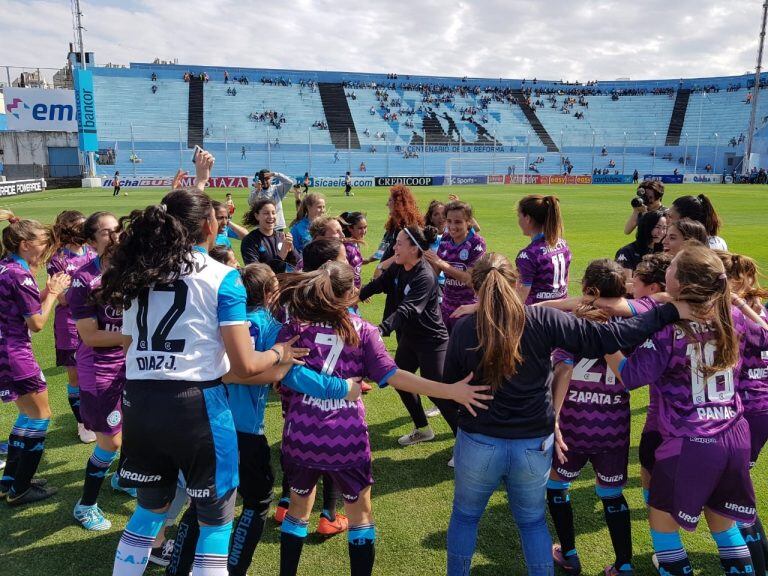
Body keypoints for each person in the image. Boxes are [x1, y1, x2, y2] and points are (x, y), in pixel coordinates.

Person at [103, 152, 306, 576]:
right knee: (215, 523)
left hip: (139, 402)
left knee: (147, 515)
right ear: (211, 226)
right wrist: (280, 354)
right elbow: (246, 365)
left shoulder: (138, 272)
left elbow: (126, 344)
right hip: (196, 406)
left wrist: (197, 182)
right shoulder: (222, 276)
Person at [443, 252, 688, 576]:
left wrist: (465, 406)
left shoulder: (465, 328)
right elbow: (615, 336)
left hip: (479, 441)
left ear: (476, 289)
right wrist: (667, 310)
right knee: (531, 523)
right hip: (533, 443)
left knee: (465, 517)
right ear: (514, 283)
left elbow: (450, 384)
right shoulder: (541, 320)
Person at [275, 261, 490, 576]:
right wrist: (449, 391)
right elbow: (394, 376)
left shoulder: (297, 326)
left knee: (297, 510)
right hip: (344, 438)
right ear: (350, 294)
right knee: (360, 517)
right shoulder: (363, 331)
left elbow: (279, 370)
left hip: (300, 434)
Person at [605, 245, 764, 576]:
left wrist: (605, 342)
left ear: (682, 282)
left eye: (672, 268)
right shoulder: (732, 316)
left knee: (663, 528)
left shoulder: (668, 330)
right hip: (733, 434)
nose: (666, 271)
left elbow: (631, 376)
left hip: (691, 440)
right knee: (724, 527)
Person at [547, 260, 636, 576]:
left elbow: (564, 369)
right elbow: (631, 376)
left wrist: (553, 419)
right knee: (611, 494)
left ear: (589, 291)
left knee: (557, 487)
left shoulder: (573, 322)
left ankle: (569, 554)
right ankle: (624, 564)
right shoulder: (631, 327)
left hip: (573, 425)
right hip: (613, 428)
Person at [359, 226, 459, 451]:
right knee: (399, 380)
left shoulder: (425, 276)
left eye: (400, 243)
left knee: (438, 393)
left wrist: (381, 329)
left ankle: (463, 442)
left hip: (432, 341)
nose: (394, 247)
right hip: (410, 339)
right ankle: (423, 429)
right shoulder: (398, 266)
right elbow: (378, 285)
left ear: (414, 249)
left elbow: (408, 310)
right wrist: (353, 299)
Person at [0, 209, 71, 506]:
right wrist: (54, 293)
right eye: (42, 242)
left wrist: (44, 291)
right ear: (25, 243)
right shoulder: (20, 275)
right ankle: (22, 489)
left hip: (4, 352)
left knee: (26, 414)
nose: (46, 248)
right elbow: (37, 323)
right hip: (16, 353)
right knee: (41, 417)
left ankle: (10, 482)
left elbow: (22, 304)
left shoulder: (6, 266)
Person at [70, 211, 130, 530]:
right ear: (92, 240)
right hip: (100, 368)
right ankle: (86, 505)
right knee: (111, 442)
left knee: (133, 427)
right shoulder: (84, 278)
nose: (115, 236)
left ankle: (122, 478)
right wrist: (129, 338)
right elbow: (90, 335)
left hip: (129, 363)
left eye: (118, 229)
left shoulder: (129, 270)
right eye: (107, 233)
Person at [718, 251, 768, 570]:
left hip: (744, 411)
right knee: (741, 493)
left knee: (734, 498)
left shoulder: (734, 316)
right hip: (763, 406)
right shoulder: (760, 309)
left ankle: (757, 565)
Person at [47, 210, 97, 443]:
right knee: (76, 376)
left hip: (97, 319)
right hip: (69, 323)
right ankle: (82, 422)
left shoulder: (93, 251)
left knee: (99, 371)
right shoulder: (57, 259)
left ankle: (98, 415)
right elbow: (64, 298)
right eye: (80, 226)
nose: (85, 230)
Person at [424, 201, 486, 332]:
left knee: (464, 350)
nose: (452, 226)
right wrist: (425, 261)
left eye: (458, 222)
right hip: (446, 307)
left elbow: (469, 279)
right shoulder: (446, 239)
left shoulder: (476, 243)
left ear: (468, 222)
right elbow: (435, 272)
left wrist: (441, 263)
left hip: (468, 309)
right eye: (449, 221)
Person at [516, 195, 572, 305]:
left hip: (538, 317)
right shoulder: (563, 245)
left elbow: (520, 298)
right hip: (563, 314)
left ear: (527, 219)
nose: (518, 221)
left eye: (519, 216)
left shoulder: (528, 255)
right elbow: (566, 282)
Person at [368, 185, 423, 274]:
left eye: (390, 200)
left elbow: (405, 253)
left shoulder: (408, 227)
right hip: (388, 275)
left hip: (400, 275)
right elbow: (384, 247)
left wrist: (381, 266)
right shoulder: (393, 224)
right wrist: (369, 260)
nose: (387, 204)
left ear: (399, 203)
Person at [241, 199, 299, 273]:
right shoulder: (250, 241)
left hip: (283, 283)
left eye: (273, 213)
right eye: (266, 213)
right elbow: (256, 272)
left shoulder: (281, 236)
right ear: (257, 216)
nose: (271, 216)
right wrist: (281, 255)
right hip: (263, 284)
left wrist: (291, 250)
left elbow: (298, 264)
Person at [614, 209, 666, 277]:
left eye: (664, 228)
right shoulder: (626, 252)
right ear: (646, 227)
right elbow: (625, 282)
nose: (661, 232)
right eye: (657, 227)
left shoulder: (665, 251)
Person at [339, 211, 368, 289]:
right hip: (347, 292)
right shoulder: (346, 248)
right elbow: (343, 275)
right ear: (350, 228)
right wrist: (356, 290)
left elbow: (355, 267)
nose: (364, 231)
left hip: (354, 292)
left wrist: (369, 260)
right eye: (360, 228)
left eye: (365, 227)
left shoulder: (355, 243)